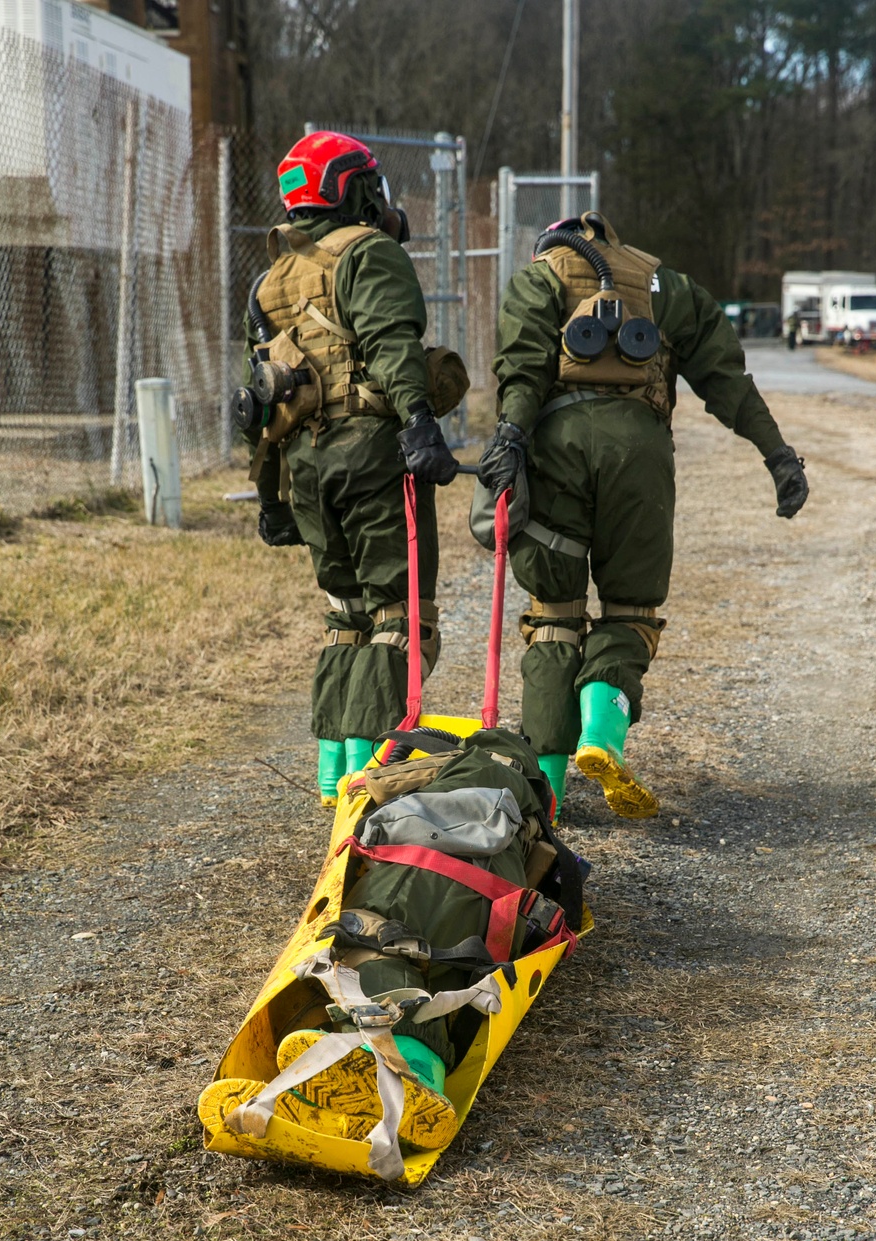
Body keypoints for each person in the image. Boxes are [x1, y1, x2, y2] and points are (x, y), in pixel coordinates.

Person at [477, 211, 809, 820]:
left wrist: (511, 436)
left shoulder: (539, 278)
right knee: (629, 610)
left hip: (558, 449)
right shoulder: (666, 286)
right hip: (641, 453)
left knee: (555, 617)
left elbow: (520, 367)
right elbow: (725, 378)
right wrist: (778, 455)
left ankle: (547, 794)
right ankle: (601, 737)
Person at [241, 131, 460, 804]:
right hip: (371, 455)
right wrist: (420, 423)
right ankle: (371, 778)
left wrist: (270, 497)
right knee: (399, 617)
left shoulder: (271, 279)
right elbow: (394, 342)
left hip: (305, 466)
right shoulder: (370, 252)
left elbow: (262, 399)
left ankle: (335, 773)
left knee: (345, 614)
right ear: (355, 190)